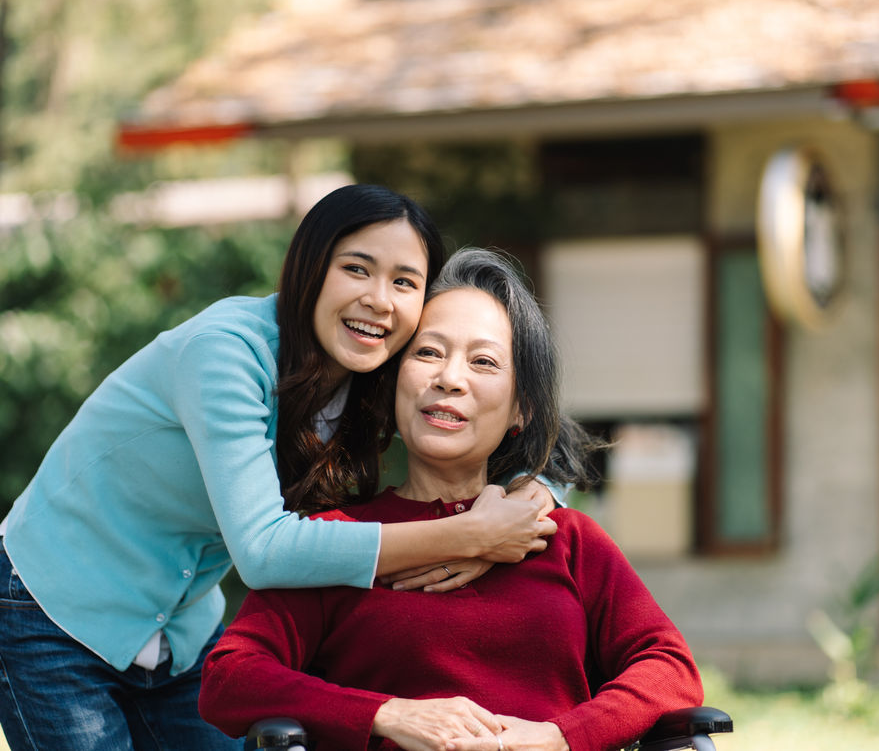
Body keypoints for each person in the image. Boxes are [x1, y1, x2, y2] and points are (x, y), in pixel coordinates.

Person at [0, 186, 557, 751]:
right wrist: (466, 536)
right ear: (309, 267)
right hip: (56, 612)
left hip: (179, 631)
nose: (379, 300)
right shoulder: (225, 352)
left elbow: (472, 424)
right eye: (356, 269)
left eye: (405, 282)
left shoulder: (374, 369)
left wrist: (534, 491)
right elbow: (262, 551)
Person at [198, 248, 704, 751]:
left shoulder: (566, 539)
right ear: (392, 384)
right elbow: (229, 678)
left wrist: (556, 737)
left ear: (521, 409)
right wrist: (386, 714)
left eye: (483, 362)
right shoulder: (338, 540)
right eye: (428, 353)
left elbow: (669, 667)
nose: (449, 378)